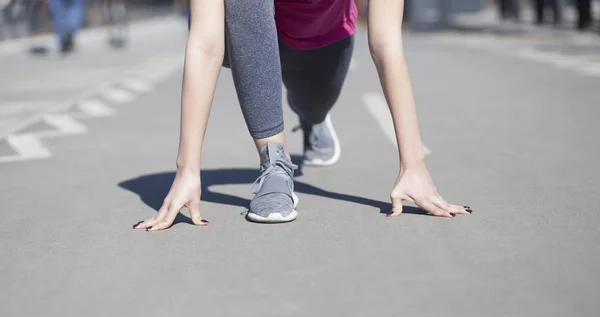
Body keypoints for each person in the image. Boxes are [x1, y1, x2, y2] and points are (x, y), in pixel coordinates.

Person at [133, 0, 471, 231]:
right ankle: (274, 163)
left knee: (314, 101)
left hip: (321, 37)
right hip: (247, 37)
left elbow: (386, 43)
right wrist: (188, 170)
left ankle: (313, 119)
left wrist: (413, 167)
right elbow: (206, 44)